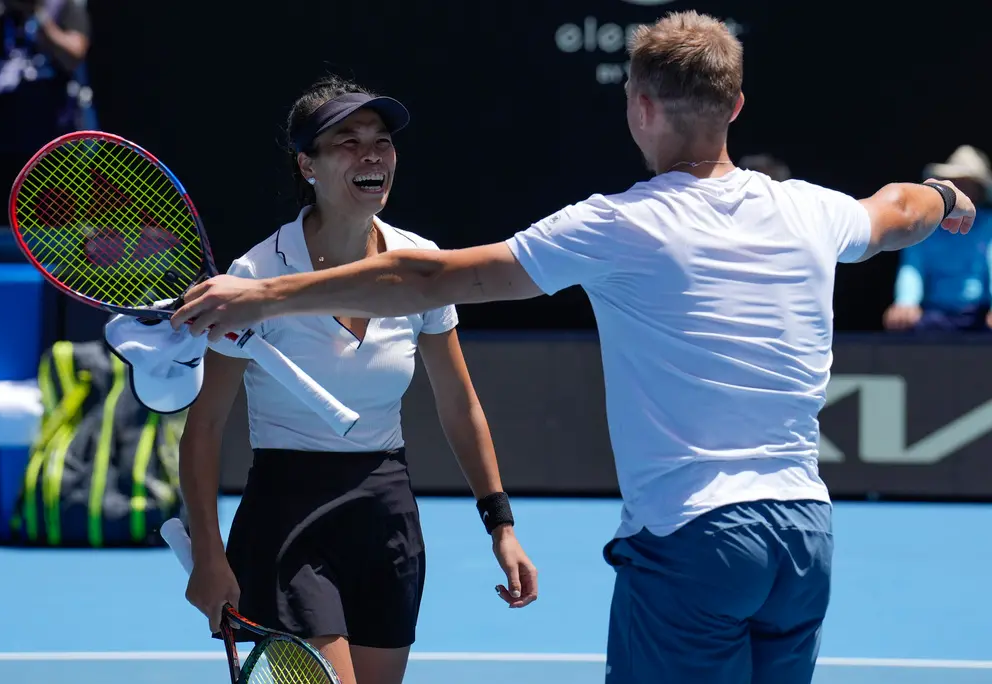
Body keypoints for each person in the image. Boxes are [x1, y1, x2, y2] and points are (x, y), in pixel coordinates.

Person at [170, 12, 975, 684]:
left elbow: (425, 281)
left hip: (696, 543)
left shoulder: (620, 224)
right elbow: (897, 209)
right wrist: (945, 196)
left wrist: (265, 294)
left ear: (639, 107)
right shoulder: (814, 212)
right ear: (735, 107)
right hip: (804, 542)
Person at [177, 76, 537, 684]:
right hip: (287, 513)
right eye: (347, 141)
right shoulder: (253, 276)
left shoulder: (419, 262)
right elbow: (204, 426)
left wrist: (501, 526)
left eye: (382, 140)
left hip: (386, 511)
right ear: (307, 166)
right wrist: (208, 555)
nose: (372, 153)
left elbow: (459, 404)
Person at [0, 0, 93, 225]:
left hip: (54, 144)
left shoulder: (64, 7)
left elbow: (73, 55)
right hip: (4, 139)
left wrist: (38, 17)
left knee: (56, 223)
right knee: (2, 225)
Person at [883, 144, 992, 332]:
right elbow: (913, 266)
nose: (960, 189)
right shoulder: (926, 224)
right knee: (902, 325)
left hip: (980, 314)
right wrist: (905, 302)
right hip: (935, 314)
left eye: (966, 183)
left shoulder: (989, 225)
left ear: (979, 190)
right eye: (954, 183)